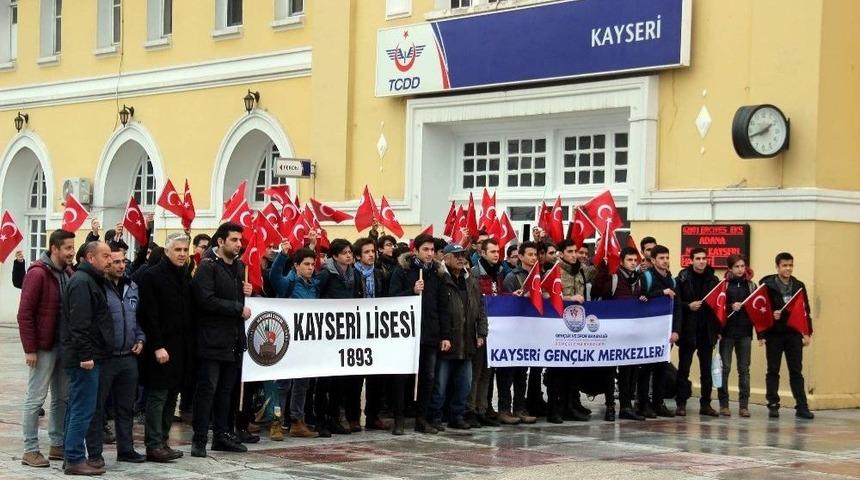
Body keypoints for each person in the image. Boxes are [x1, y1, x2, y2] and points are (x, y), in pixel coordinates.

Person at [190, 223, 252, 457]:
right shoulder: (208, 267)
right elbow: (205, 300)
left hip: (232, 339)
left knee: (226, 391)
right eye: (234, 240)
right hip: (211, 340)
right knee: (208, 390)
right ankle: (199, 439)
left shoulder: (238, 267)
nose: (238, 244)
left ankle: (222, 434)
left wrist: (246, 291)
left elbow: (238, 299)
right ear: (221, 242)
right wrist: (237, 308)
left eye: (239, 240)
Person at [17, 230, 75, 468]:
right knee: (35, 399)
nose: (72, 252)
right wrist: (30, 349)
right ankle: (30, 449)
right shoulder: (38, 273)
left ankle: (57, 444)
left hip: (64, 346)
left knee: (62, 397)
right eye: (68, 248)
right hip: (43, 347)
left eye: (73, 247)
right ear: (54, 249)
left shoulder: (69, 273)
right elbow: (25, 314)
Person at [85, 246, 146, 467]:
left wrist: (140, 338)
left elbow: (136, 317)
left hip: (128, 357)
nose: (120, 266)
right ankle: (94, 453)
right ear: (107, 263)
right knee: (98, 408)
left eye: (123, 262)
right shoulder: (99, 287)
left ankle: (126, 449)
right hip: (105, 357)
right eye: (115, 262)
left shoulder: (132, 286)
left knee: (126, 407)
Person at [137, 233, 195, 462]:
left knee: (173, 395)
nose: (182, 254)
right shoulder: (152, 276)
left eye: (184, 250)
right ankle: (153, 444)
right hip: (159, 347)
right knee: (158, 395)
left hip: (180, 347)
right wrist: (157, 345)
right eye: (178, 250)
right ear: (167, 251)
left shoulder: (184, 276)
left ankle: (163, 440)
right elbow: (148, 315)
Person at [59, 241, 113, 476]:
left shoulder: (91, 280)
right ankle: (74, 458)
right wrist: (86, 355)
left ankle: (71, 455)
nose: (109, 260)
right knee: (83, 408)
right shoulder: (82, 282)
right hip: (85, 358)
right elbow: (79, 324)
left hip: (89, 354)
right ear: (91, 258)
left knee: (77, 407)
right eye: (105, 256)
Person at [389, 234, 450, 435]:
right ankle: (398, 419)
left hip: (430, 333)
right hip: (406, 333)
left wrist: (445, 335)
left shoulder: (437, 273)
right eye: (426, 249)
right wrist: (411, 291)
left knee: (428, 377)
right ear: (416, 250)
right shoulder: (403, 270)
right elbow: (392, 298)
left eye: (432, 250)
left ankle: (421, 419)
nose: (430, 254)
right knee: (402, 377)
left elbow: (443, 307)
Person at [429, 243, 488, 432]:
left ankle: (457, 416)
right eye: (456, 255)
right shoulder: (439, 278)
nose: (461, 258)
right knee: (440, 384)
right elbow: (436, 311)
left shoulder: (470, 280)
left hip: (467, 341)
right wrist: (440, 335)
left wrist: (482, 332)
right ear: (445, 258)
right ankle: (436, 416)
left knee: (465, 384)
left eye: (463, 255)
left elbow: (480, 308)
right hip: (447, 341)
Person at [268, 245, 321, 438]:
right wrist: (282, 255)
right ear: (296, 266)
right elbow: (274, 277)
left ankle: (298, 422)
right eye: (306, 264)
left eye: (312, 264)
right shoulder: (288, 283)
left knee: (302, 382)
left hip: (306, 341)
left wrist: (313, 245)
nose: (310, 268)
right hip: (287, 339)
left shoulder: (314, 285)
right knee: (283, 383)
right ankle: (276, 422)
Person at [314, 238, 365, 436]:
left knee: (339, 379)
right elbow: (317, 295)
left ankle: (334, 418)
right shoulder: (327, 273)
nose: (349, 256)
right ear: (335, 256)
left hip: (345, 331)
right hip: (327, 331)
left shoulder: (355, 273)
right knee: (324, 380)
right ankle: (320, 420)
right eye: (344, 253)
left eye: (350, 252)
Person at [592, 246, 648, 421]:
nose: (632, 263)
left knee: (628, 370)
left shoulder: (638, 280)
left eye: (635, 260)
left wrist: (642, 299)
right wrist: (603, 268)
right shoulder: (613, 278)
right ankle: (610, 406)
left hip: (630, 333)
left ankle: (626, 406)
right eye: (629, 260)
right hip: (612, 333)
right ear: (622, 261)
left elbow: (642, 297)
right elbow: (596, 292)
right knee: (609, 370)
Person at [760, 252, 814, 419]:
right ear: (777, 267)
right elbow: (760, 310)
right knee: (773, 370)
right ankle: (773, 404)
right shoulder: (767, 285)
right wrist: (770, 318)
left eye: (790, 265)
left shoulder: (798, 285)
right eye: (784, 265)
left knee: (796, 370)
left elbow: (805, 310)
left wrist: (807, 332)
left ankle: (802, 406)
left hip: (793, 334)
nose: (788, 268)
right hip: (775, 335)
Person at [552, 239, 597, 423]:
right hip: (558, 326)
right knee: (557, 371)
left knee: (574, 369)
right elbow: (548, 296)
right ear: (561, 253)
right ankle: (555, 408)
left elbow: (598, 273)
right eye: (569, 251)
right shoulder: (554, 271)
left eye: (575, 251)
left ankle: (571, 405)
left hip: (577, 325)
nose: (574, 254)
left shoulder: (581, 270)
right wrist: (569, 298)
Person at [502, 241, 547, 419]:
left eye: (535, 255)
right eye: (529, 255)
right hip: (512, 332)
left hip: (530, 331)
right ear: (520, 257)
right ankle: (505, 409)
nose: (533, 258)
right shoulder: (512, 277)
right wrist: (521, 298)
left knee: (522, 372)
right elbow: (504, 303)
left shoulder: (540, 277)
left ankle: (520, 408)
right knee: (507, 372)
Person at [674, 248, 721, 417]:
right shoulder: (682, 279)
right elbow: (677, 303)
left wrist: (718, 330)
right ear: (691, 260)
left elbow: (718, 307)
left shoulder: (714, 280)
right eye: (698, 258)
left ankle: (706, 404)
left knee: (706, 371)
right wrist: (689, 306)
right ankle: (681, 403)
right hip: (688, 331)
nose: (702, 261)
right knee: (684, 369)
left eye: (704, 258)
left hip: (707, 331)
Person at [353, 237, 390, 431]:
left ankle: (373, 415)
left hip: (376, 330)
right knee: (355, 377)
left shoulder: (380, 274)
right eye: (366, 252)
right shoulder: (352, 274)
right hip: (356, 330)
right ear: (358, 256)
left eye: (373, 251)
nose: (371, 255)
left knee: (377, 376)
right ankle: (352, 416)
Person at [640, 245, 681, 418]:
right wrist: (660, 293)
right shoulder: (646, 277)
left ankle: (658, 402)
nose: (665, 261)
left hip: (665, 333)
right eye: (661, 258)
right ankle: (642, 404)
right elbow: (641, 299)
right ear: (654, 260)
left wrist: (676, 330)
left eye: (667, 257)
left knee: (661, 368)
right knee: (645, 369)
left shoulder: (672, 280)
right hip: (648, 332)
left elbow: (677, 307)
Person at [469, 239, 507, 424]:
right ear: (482, 253)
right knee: (476, 371)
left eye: (497, 251)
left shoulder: (498, 272)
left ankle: (483, 408)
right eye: (492, 251)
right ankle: (471, 409)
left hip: (496, 329)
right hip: (479, 329)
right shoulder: (474, 273)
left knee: (487, 371)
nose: (496, 254)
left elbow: (497, 296)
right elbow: (475, 302)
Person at [718, 254, 756, 418]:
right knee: (725, 368)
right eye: (737, 267)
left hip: (745, 332)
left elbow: (758, 308)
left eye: (742, 266)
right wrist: (730, 306)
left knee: (744, 369)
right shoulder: (724, 286)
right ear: (730, 269)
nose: (741, 269)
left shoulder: (752, 286)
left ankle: (743, 405)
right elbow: (718, 307)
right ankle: (724, 404)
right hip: (727, 333)